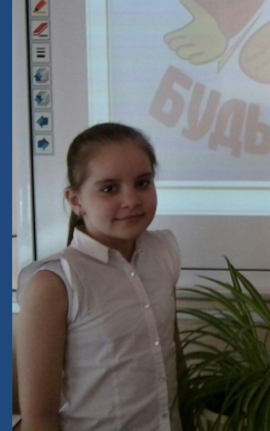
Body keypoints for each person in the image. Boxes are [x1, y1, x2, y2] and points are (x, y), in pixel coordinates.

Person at [16, 122, 183, 431]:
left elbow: (171, 351)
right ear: (76, 201)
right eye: (109, 189)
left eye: (143, 183)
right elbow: (39, 417)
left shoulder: (164, 251)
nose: (131, 200)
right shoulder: (55, 283)